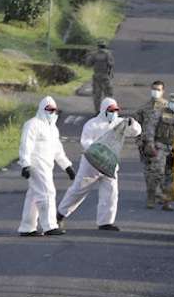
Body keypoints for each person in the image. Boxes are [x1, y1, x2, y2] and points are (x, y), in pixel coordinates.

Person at [57, 97, 142, 231]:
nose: (113, 113)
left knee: (111, 193)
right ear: (104, 110)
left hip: (110, 164)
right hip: (91, 164)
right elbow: (85, 142)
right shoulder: (93, 124)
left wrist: (133, 123)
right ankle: (60, 215)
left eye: (115, 110)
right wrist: (97, 152)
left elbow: (136, 132)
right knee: (78, 191)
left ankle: (105, 222)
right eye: (110, 110)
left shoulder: (119, 123)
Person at [17, 96, 76, 237]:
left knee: (34, 196)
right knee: (47, 193)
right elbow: (26, 145)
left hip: (47, 166)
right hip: (36, 165)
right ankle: (50, 226)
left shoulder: (52, 128)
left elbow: (57, 149)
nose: (51, 112)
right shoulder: (33, 124)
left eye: (54, 110)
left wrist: (67, 166)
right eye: (48, 109)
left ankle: (27, 227)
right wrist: (25, 164)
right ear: (42, 109)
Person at [135, 80, 169, 209]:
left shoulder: (168, 107)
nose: (156, 92)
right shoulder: (144, 108)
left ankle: (164, 198)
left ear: (163, 91)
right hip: (147, 146)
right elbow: (135, 127)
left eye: (158, 89)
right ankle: (152, 197)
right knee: (149, 172)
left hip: (163, 146)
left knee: (162, 172)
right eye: (154, 89)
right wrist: (139, 143)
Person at [152, 93, 174, 211]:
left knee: (171, 176)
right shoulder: (161, 112)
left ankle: (166, 200)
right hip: (162, 146)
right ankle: (158, 194)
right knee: (159, 172)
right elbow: (151, 128)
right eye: (172, 102)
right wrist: (150, 143)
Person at [85, 41, 115, 114]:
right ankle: (109, 110)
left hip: (97, 76)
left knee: (97, 95)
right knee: (108, 94)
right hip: (106, 76)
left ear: (98, 46)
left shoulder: (94, 54)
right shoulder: (108, 54)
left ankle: (97, 111)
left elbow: (88, 64)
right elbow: (111, 64)